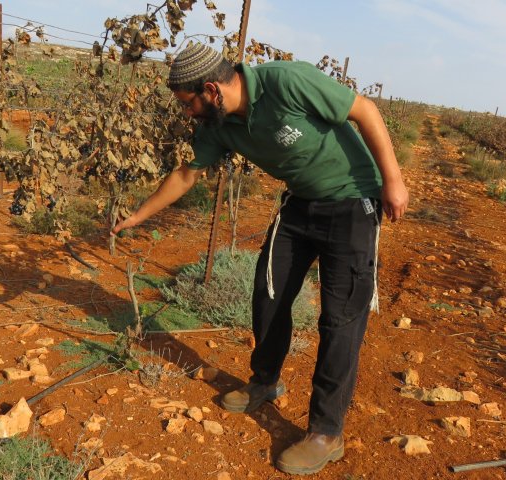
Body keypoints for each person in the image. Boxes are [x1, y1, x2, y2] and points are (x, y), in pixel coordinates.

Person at [112, 42, 409, 475]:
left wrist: (393, 180)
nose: (186, 113)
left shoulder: (286, 81)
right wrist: (138, 214)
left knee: (339, 320)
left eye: (188, 103)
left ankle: (327, 432)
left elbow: (364, 111)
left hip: (353, 200)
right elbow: (186, 174)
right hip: (300, 203)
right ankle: (265, 382)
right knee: (268, 295)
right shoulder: (219, 124)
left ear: (211, 89)